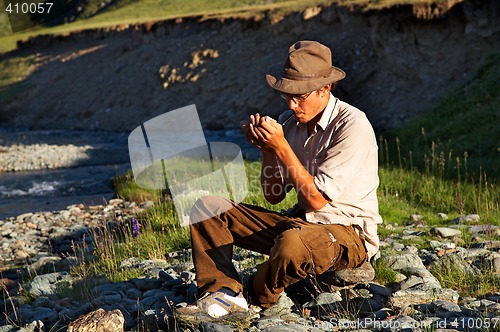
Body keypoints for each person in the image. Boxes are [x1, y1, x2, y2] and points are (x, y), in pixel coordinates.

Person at [176, 40, 382, 319]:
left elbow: (317, 200)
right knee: (207, 209)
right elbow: (274, 195)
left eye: (300, 96)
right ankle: (222, 290)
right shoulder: (290, 121)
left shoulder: (352, 125)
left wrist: (281, 147)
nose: (292, 104)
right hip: (299, 222)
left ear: (325, 88)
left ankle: (251, 295)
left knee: (291, 246)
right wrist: (267, 151)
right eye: (287, 96)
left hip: (347, 234)